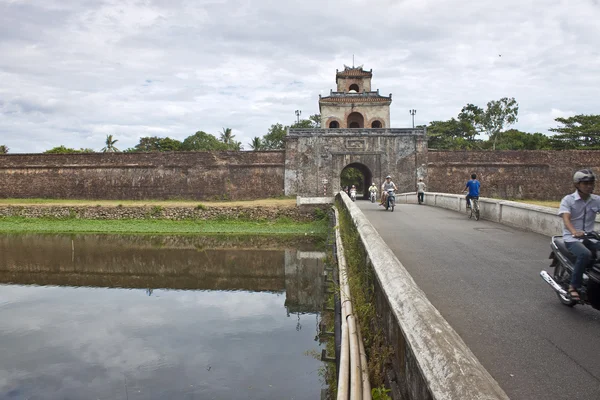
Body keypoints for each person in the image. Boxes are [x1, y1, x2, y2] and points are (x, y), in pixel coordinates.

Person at [557, 169, 600, 301]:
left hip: (590, 237)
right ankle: (573, 286)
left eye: (591, 183)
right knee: (584, 254)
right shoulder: (568, 200)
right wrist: (574, 231)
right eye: (585, 183)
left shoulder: (597, 200)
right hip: (572, 239)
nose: (589, 186)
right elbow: (566, 218)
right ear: (577, 184)